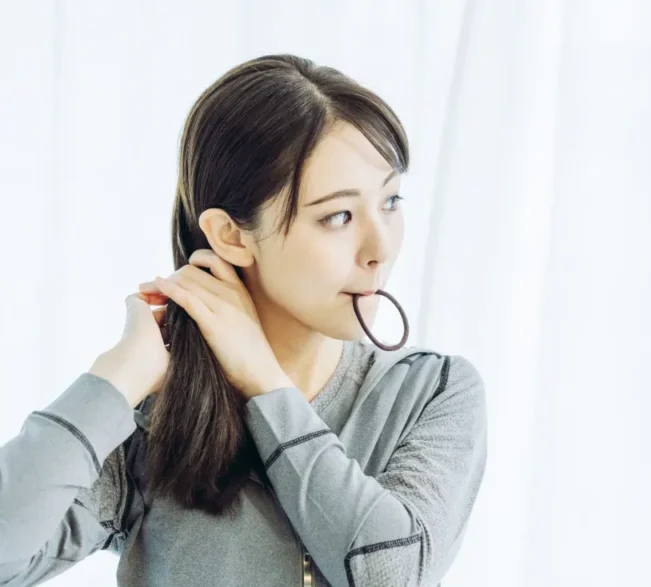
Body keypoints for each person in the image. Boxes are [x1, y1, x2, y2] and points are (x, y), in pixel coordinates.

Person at [0, 54, 487, 587]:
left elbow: (391, 575)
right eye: (339, 216)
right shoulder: (159, 420)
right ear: (231, 236)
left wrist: (265, 384)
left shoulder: (431, 393)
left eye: (391, 201)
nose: (381, 247)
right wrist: (118, 376)